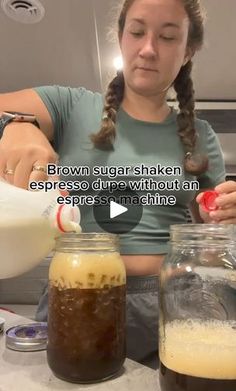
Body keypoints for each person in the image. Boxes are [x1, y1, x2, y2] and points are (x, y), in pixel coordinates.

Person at [0, 0, 236, 368]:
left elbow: (212, 235)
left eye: (168, 36)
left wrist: (226, 218)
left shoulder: (200, 136)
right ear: (121, 37)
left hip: (177, 300)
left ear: (188, 51)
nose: (148, 49)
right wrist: (11, 126)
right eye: (137, 32)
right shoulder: (70, 106)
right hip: (79, 294)